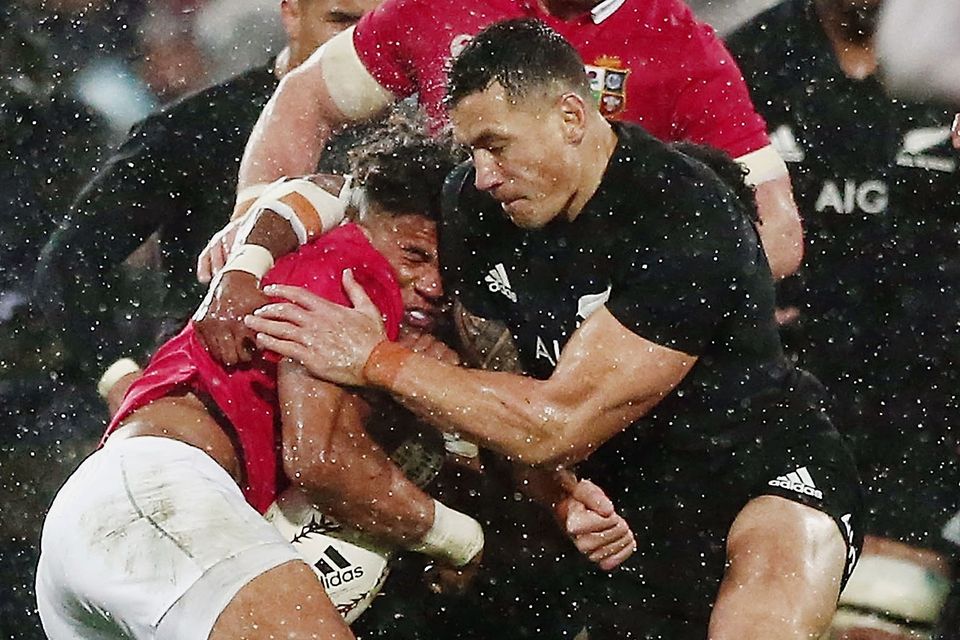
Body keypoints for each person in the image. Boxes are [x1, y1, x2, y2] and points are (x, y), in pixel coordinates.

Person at [242, 19, 865, 638]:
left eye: (497, 144)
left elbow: (553, 424)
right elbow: (503, 387)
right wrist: (248, 249)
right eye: (473, 149)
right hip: (614, 497)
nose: (484, 172)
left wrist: (375, 360)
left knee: (762, 614)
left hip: (759, 471)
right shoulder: (475, 205)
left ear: (571, 118)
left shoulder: (685, 218)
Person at [35, 118, 633, 640]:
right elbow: (320, 460)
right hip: (159, 502)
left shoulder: (363, 276)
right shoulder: (354, 266)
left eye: (447, 267)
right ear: (369, 223)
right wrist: (460, 541)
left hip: (124, 523)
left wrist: (553, 493)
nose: (433, 284)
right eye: (417, 255)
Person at [200, 0, 805, 289]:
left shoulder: (676, 42)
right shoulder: (441, 7)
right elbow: (303, 98)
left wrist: (650, 300)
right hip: (437, 300)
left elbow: (777, 230)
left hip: (584, 325)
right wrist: (256, 209)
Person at [726, 2, 960, 635]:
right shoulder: (746, 63)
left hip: (933, 417)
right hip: (787, 406)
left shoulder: (949, 58)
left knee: (888, 615)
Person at [35, 0, 381, 394]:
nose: (359, 42)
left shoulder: (423, 129)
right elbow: (70, 261)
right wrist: (119, 378)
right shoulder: (200, 126)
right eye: (341, 21)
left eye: (378, 24)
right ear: (291, 13)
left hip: (362, 394)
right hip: (213, 389)